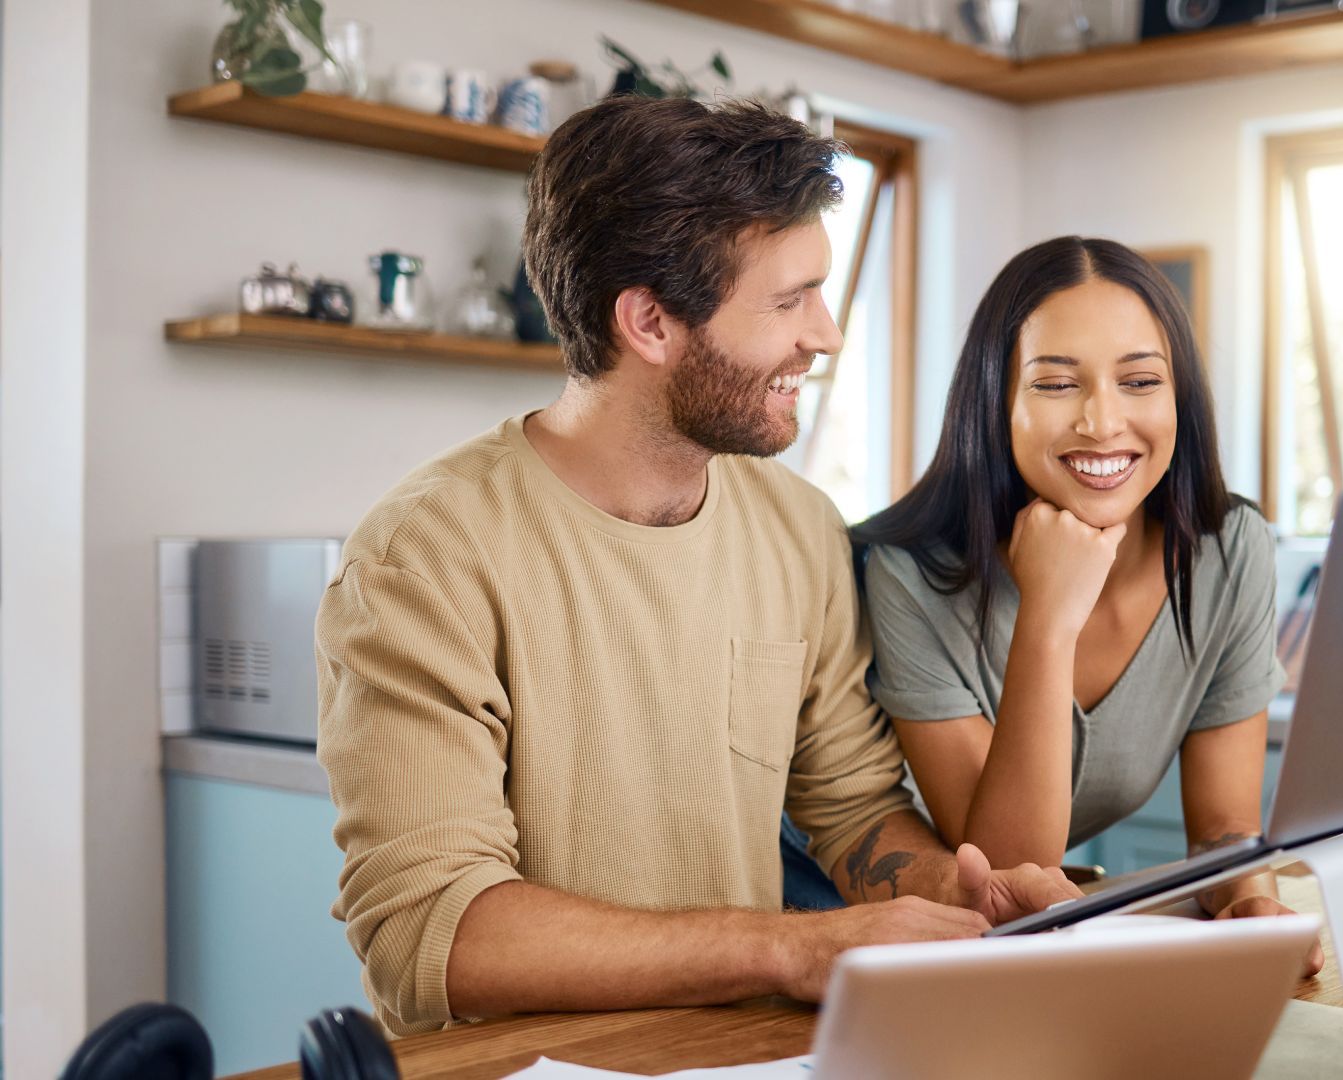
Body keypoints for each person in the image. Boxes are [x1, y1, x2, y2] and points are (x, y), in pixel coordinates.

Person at [314, 96, 1078, 1038]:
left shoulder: (799, 528)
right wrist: (787, 947)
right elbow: (433, 936)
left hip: (738, 1058)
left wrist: (963, 902)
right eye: (790, 299)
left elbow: (851, 811)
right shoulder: (424, 558)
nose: (827, 333)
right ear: (650, 323)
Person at [853, 237, 1321, 968]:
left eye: (1139, 382)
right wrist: (1047, 619)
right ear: (996, 400)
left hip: (1000, 952)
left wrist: (1244, 899)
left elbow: (1225, 825)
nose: (1103, 422)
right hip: (861, 927)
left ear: (1180, 399)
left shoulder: (1229, 550)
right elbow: (1007, 874)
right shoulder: (908, 575)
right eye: (1056, 383)